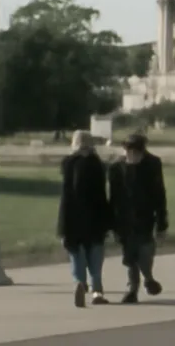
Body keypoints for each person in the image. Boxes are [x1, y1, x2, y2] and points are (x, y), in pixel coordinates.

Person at [108, 132, 168, 304]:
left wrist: (162, 223)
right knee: (129, 256)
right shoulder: (115, 168)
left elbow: (159, 194)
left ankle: (148, 278)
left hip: (146, 216)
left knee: (145, 251)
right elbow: (113, 196)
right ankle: (132, 289)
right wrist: (111, 223)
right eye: (130, 151)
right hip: (124, 218)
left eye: (137, 152)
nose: (133, 155)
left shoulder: (153, 164)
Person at [57, 130, 111, 307]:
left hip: (73, 218)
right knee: (95, 254)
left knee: (76, 254)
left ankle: (79, 282)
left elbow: (65, 198)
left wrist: (62, 226)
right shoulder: (98, 165)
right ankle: (97, 290)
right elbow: (102, 195)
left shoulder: (68, 165)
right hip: (96, 217)